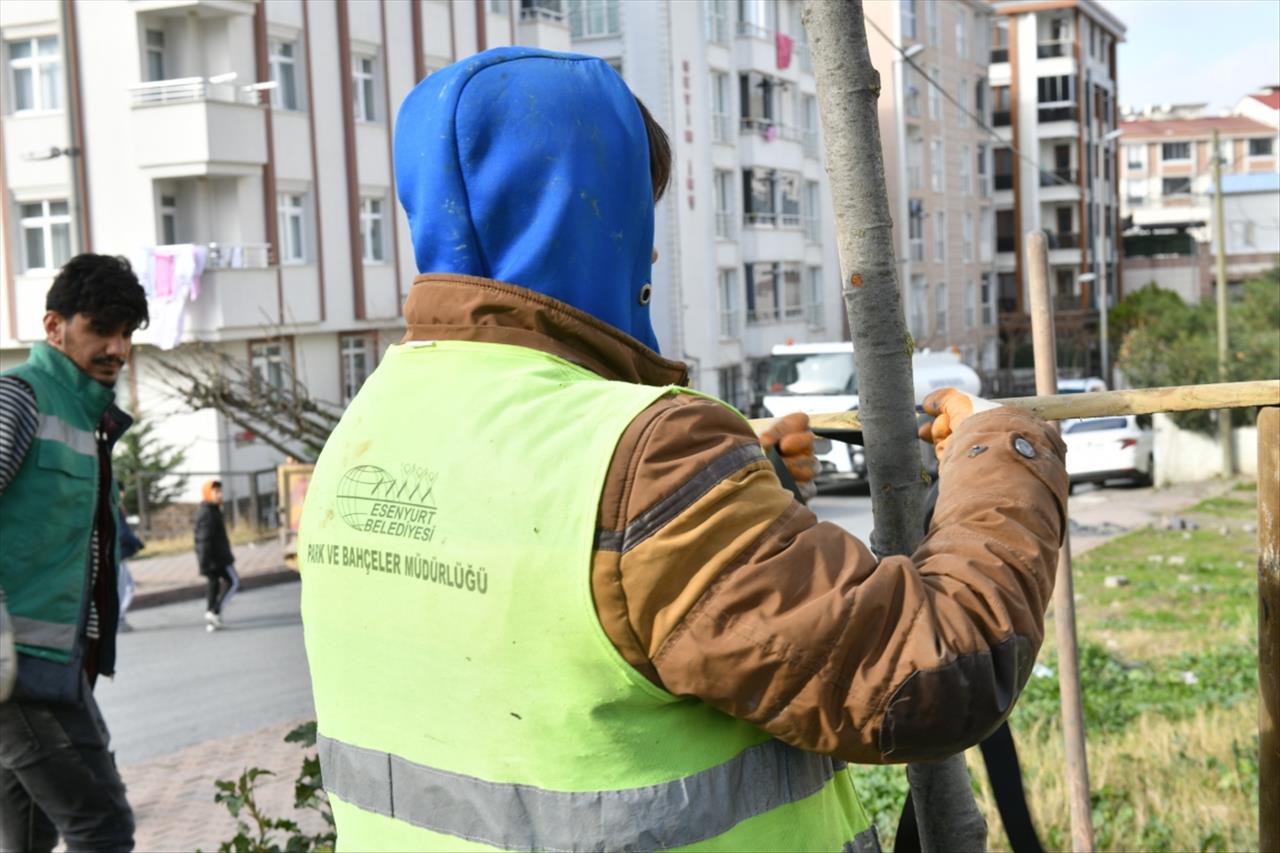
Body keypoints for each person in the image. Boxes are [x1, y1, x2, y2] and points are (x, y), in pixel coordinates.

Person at [298, 47, 1068, 852]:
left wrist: (746, 489)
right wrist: (1001, 447)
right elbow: (931, 674)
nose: (655, 252)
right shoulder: (649, 459)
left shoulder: (367, 429)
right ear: (590, 218)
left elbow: (544, 596)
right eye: (637, 208)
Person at [0, 253, 147, 852]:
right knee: (102, 827)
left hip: (51, 664)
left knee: (30, 839)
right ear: (54, 326)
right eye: (101, 329)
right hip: (19, 669)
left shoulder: (88, 419)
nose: (116, 347)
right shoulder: (22, 400)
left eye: (127, 333)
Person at [194, 480, 239, 632]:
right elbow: (203, 539)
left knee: (214, 583)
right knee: (233, 581)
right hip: (216, 558)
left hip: (214, 557)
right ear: (208, 493)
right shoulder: (208, 512)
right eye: (216, 492)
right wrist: (204, 562)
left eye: (220, 491)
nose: (219, 495)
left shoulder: (212, 509)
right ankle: (215, 611)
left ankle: (211, 614)